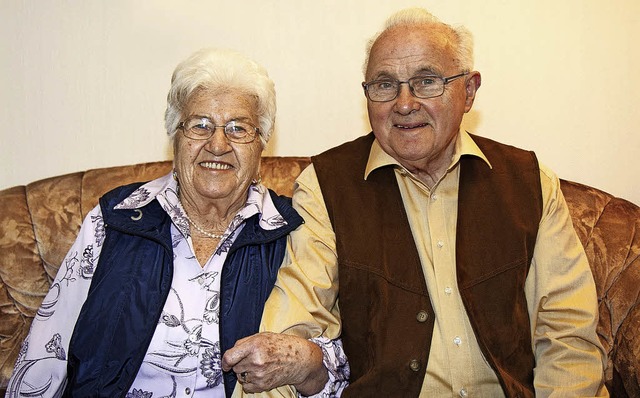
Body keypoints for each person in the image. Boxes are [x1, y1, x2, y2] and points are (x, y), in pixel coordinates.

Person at [258, 7, 609, 397]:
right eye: (384, 85)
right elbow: (295, 322)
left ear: (469, 91)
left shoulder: (528, 181)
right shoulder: (327, 186)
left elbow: (567, 335)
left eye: (427, 81)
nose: (404, 103)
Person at [6, 48, 330, 398]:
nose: (217, 144)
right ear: (175, 134)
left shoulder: (294, 230)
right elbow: (44, 355)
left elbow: (337, 367)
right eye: (200, 125)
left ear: (261, 143)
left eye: (238, 128)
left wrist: (310, 363)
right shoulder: (116, 219)